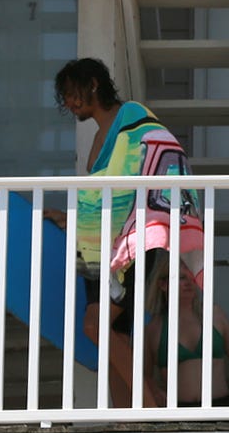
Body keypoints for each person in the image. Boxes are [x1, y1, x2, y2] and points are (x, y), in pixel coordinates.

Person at [51, 58, 204, 407]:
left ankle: (153, 406)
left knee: (95, 326)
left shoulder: (132, 117)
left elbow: (165, 157)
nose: (70, 104)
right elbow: (101, 193)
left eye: (73, 94)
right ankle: (126, 416)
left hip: (131, 244)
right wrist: (69, 218)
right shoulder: (99, 135)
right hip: (96, 248)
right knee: (114, 331)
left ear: (93, 84)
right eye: (65, 98)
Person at [140, 256, 229, 409]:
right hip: (178, 412)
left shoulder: (214, 315)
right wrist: (155, 391)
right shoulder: (154, 327)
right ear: (163, 284)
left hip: (220, 407)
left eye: (193, 277)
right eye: (182, 277)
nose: (189, 283)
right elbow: (144, 374)